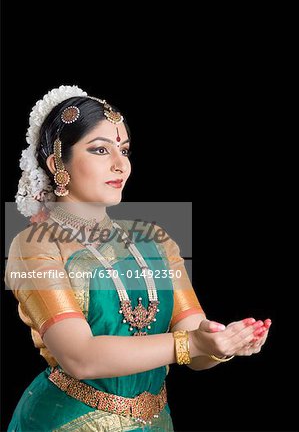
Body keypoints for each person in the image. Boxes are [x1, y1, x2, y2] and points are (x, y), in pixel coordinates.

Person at [5, 85, 271, 432]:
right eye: (100, 150)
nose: (120, 165)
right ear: (58, 164)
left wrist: (223, 344)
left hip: (156, 422)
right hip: (64, 421)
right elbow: (79, 357)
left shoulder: (155, 240)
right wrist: (189, 344)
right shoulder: (34, 246)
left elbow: (195, 342)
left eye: (125, 150)